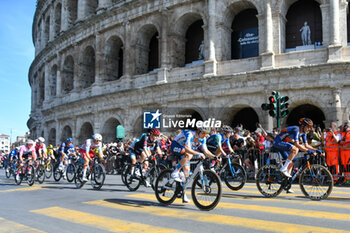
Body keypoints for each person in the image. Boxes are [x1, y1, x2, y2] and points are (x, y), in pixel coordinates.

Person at [170, 126, 215, 203]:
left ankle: (182, 193)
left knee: (186, 172)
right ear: (198, 131)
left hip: (183, 149)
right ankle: (175, 172)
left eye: (206, 134)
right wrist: (198, 153)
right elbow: (187, 148)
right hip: (176, 145)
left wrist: (215, 157)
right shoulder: (190, 134)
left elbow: (206, 151)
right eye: (203, 133)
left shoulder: (202, 138)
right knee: (189, 155)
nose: (205, 135)